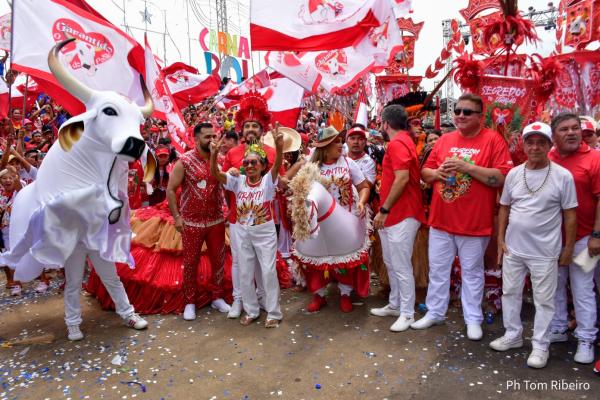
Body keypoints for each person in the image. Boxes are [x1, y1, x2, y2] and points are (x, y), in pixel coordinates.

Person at [412, 93, 513, 341]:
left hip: (474, 223)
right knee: (438, 270)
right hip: (441, 221)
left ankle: (473, 319)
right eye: (457, 111)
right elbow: (424, 173)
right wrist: (437, 173)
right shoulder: (445, 140)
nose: (460, 116)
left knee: (472, 272)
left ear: (480, 116)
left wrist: (467, 167)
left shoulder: (492, 140)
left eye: (467, 112)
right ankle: (435, 311)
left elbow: (501, 177)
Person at [490, 122, 577, 369]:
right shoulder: (515, 174)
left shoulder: (563, 176)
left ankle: (540, 346)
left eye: (541, 142)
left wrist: (568, 248)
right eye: (531, 142)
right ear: (524, 145)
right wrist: (500, 239)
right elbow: (505, 207)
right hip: (514, 249)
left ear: (550, 146)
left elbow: (570, 214)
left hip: (545, 252)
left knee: (544, 301)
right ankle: (513, 335)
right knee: (510, 292)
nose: (535, 147)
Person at [291, 126, 371, 313]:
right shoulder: (311, 168)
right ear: (324, 147)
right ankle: (319, 295)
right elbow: (291, 186)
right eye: (336, 142)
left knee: (343, 257)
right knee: (316, 258)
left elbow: (364, 187)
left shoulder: (349, 163)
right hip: (318, 222)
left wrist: (361, 202)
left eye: (340, 140)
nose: (341, 145)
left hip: (345, 219)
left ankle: (345, 294)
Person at [210, 126, 284, 327]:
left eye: (254, 162)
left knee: (268, 271)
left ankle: (273, 313)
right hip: (242, 232)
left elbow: (277, 165)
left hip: (265, 232)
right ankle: (251, 310)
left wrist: (278, 146)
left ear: (262, 166)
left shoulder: (268, 181)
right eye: (247, 162)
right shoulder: (238, 181)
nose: (250, 165)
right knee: (245, 272)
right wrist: (215, 154)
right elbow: (215, 174)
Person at [222, 91, 282, 319]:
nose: (250, 130)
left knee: (265, 264)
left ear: (262, 129)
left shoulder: (271, 153)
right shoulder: (232, 153)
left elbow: (280, 181)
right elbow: (225, 181)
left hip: (264, 219)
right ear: (241, 129)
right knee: (241, 263)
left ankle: (265, 301)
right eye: (246, 126)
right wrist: (228, 171)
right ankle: (240, 300)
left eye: (254, 126)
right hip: (238, 219)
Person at [548, 113, 600, 364]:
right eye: (564, 129)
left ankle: (586, 338)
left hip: (584, 238)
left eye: (575, 128)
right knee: (555, 286)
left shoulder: (595, 159)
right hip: (551, 239)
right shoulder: (548, 158)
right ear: (554, 136)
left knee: (582, 289)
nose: (571, 133)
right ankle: (558, 328)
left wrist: (597, 235)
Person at [370, 104, 426, 332]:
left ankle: (407, 313)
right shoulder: (402, 142)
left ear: (385, 123)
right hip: (395, 215)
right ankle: (395, 304)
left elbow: (402, 179)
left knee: (401, 266)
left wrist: (384, 210)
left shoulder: (398, 143)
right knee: (392, 263)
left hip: (402, 214)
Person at [166, 122, 230, 320]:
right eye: (207, 137)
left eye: (213, 136)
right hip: (191, 223)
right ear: (195, 139)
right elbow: (170, 189)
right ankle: (190, 302)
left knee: (218, 261)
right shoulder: (184, 161)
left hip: (216, 220)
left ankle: (217, 297)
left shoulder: (219, 160)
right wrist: (177, 217)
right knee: (190, 263)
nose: (211, 140)